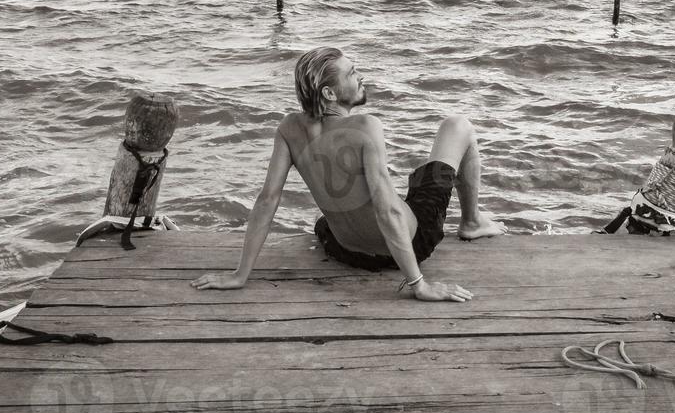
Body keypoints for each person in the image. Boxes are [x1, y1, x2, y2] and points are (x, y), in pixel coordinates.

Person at [191, 46, 505, 302]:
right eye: (352, 73)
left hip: (344, 250)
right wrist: (418, 284)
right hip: (410, 244)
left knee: (329, 218)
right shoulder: (366, 126)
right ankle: (472, 222)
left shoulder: (289, 129)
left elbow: (266, 201)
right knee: (457, 126)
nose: (360, 77)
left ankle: (465, 221)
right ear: (329, 94)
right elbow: (387, 209)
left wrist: (240, 275)